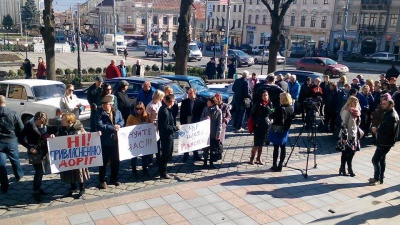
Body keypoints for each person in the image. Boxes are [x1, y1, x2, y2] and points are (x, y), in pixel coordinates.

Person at [19, 112, 52, 201]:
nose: (41, 125)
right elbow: (20, 139)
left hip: (43, 150)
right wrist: (29, 147)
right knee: (39, 171)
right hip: (34, 151)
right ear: (35, 119)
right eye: (39, 123)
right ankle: (36, 191)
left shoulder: (43, 125)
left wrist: (51, 135)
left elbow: (48, 132)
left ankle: (38, 187)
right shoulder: (29, 126)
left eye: (42, 123)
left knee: (41, 171)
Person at [54, 112, 89, 198]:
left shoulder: (78, 128)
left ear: (69, 121)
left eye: (64, 119)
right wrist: (53, 137)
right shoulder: (62, 128)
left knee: (79, 172)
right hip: (68, 155)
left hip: (77, 155)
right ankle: (73, 188)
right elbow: (58, 138)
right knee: (69, 171)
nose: (62, 121)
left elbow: (86, 136)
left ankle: (82, 188)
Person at [370, 95, 399, 185]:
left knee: (375, 160)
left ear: (391, 105)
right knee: (381, 160)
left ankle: (377, 178)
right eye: (382, 104)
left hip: (385, 142)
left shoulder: (392, 116)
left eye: (384, 104)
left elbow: (388, 130)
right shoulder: (388, 113)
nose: (382, 105)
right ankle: (380, 178)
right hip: (384, 141)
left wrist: (376, 130)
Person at [96, 95, 124, 189]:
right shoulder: (99, 113)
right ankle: (102, 180)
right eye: (103, 104)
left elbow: (122, 121)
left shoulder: (117, 112)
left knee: (115, 161)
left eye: (106, 104)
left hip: (116, 141)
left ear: (111, 104)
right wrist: (113, 128)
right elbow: (100, 126)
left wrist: (119, 125)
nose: (104, 106)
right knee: (103, 162)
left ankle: (114, 178)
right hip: (105, 141)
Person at [0, 96, 24, 193]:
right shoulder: (13, 113)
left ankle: (4, 185)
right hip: (12, 140)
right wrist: (18, 137)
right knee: (15, 160)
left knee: (1, 165)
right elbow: (21, 127)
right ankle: (18, 175)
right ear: (5, 102)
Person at [269, 93, 295, 172]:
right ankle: (280, 165)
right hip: (285, 129)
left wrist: (272, 109)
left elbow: (271, 114)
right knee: (283, 147)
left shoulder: (278, 108)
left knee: (276, 147)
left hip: (277, 129)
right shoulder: (291, 108)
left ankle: (274, 164)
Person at [126, 102, 152, 179]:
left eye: (141, 108)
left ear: (143, 108)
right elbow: (127, 127)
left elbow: (149, 125)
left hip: (143, 140)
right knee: (134, 156)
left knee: (145, 156)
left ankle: (145, 170)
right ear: (135, 109)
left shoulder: (146, 116)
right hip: (135, 140)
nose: (139, 110)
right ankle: (134, 171)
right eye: (137, 108)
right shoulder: (131, 117)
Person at [180, 88, 206, 162]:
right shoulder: (185, 102)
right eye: (188, 93)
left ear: (194, 93)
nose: (189, 95)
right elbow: (182, 113)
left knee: (194, 139)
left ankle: (195, 154)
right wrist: (182, 123)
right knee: (186, 139)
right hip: (187, 121)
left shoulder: (200, 102)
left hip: (195, 123)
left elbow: (202, 113)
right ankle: (186, 154)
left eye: (190, 93)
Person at [158, 94, 180, 179]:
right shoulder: (164, 111)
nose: (174, 102)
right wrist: (176, 128)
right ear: (171, 101)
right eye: (174, 101)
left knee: (167, 153)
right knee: (165, 154)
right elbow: (166, 126)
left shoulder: (166, 109)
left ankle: (163, 170)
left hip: (168, 135)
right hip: (166, 136)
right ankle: (163, 172)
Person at [249, 90, 273, 165]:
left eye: (266, 95)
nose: (265, 97)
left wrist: (271, 119)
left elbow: (272, 111)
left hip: (266, 126)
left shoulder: (270, 103)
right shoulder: (257, 104)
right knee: (256, 143)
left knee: (262, 143)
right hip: (258, 125)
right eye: (264, 95)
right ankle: (252, 158)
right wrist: (256, 122)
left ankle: (259, 158)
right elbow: (252, 115)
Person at [339, 96, 361, 177]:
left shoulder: (356, 111)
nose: (356, 104)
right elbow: (343, 125)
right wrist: (344, 137)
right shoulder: (347, 112)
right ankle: (344, 167)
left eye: (357, 102)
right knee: (345, 152)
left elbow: (357, 123)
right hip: (347, 135)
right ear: (350, 102)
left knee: (352, 152)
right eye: (354, 102)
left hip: (354, 135)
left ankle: (348, 167)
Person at [201, 97, 222, 169]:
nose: (207, 103)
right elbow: (201, 118)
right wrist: (205, 118)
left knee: (212, 148)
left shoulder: (218, 111)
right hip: (206, 133)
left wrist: (218, 134)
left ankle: (211, 162)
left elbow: (219, 123)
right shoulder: (205, 109)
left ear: (212, 103)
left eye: (208, 102)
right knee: (205, 148)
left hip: (213, 133)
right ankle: (205, 162)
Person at [146, 90, 165, 165]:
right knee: (152, 143)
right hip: (152, 125)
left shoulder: (159, 103)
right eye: (161, 97)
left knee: (158, 142)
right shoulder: (150, 105)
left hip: (159, 124)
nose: (162, 99)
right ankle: (150, 159)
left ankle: (158, 158)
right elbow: (147, 117)